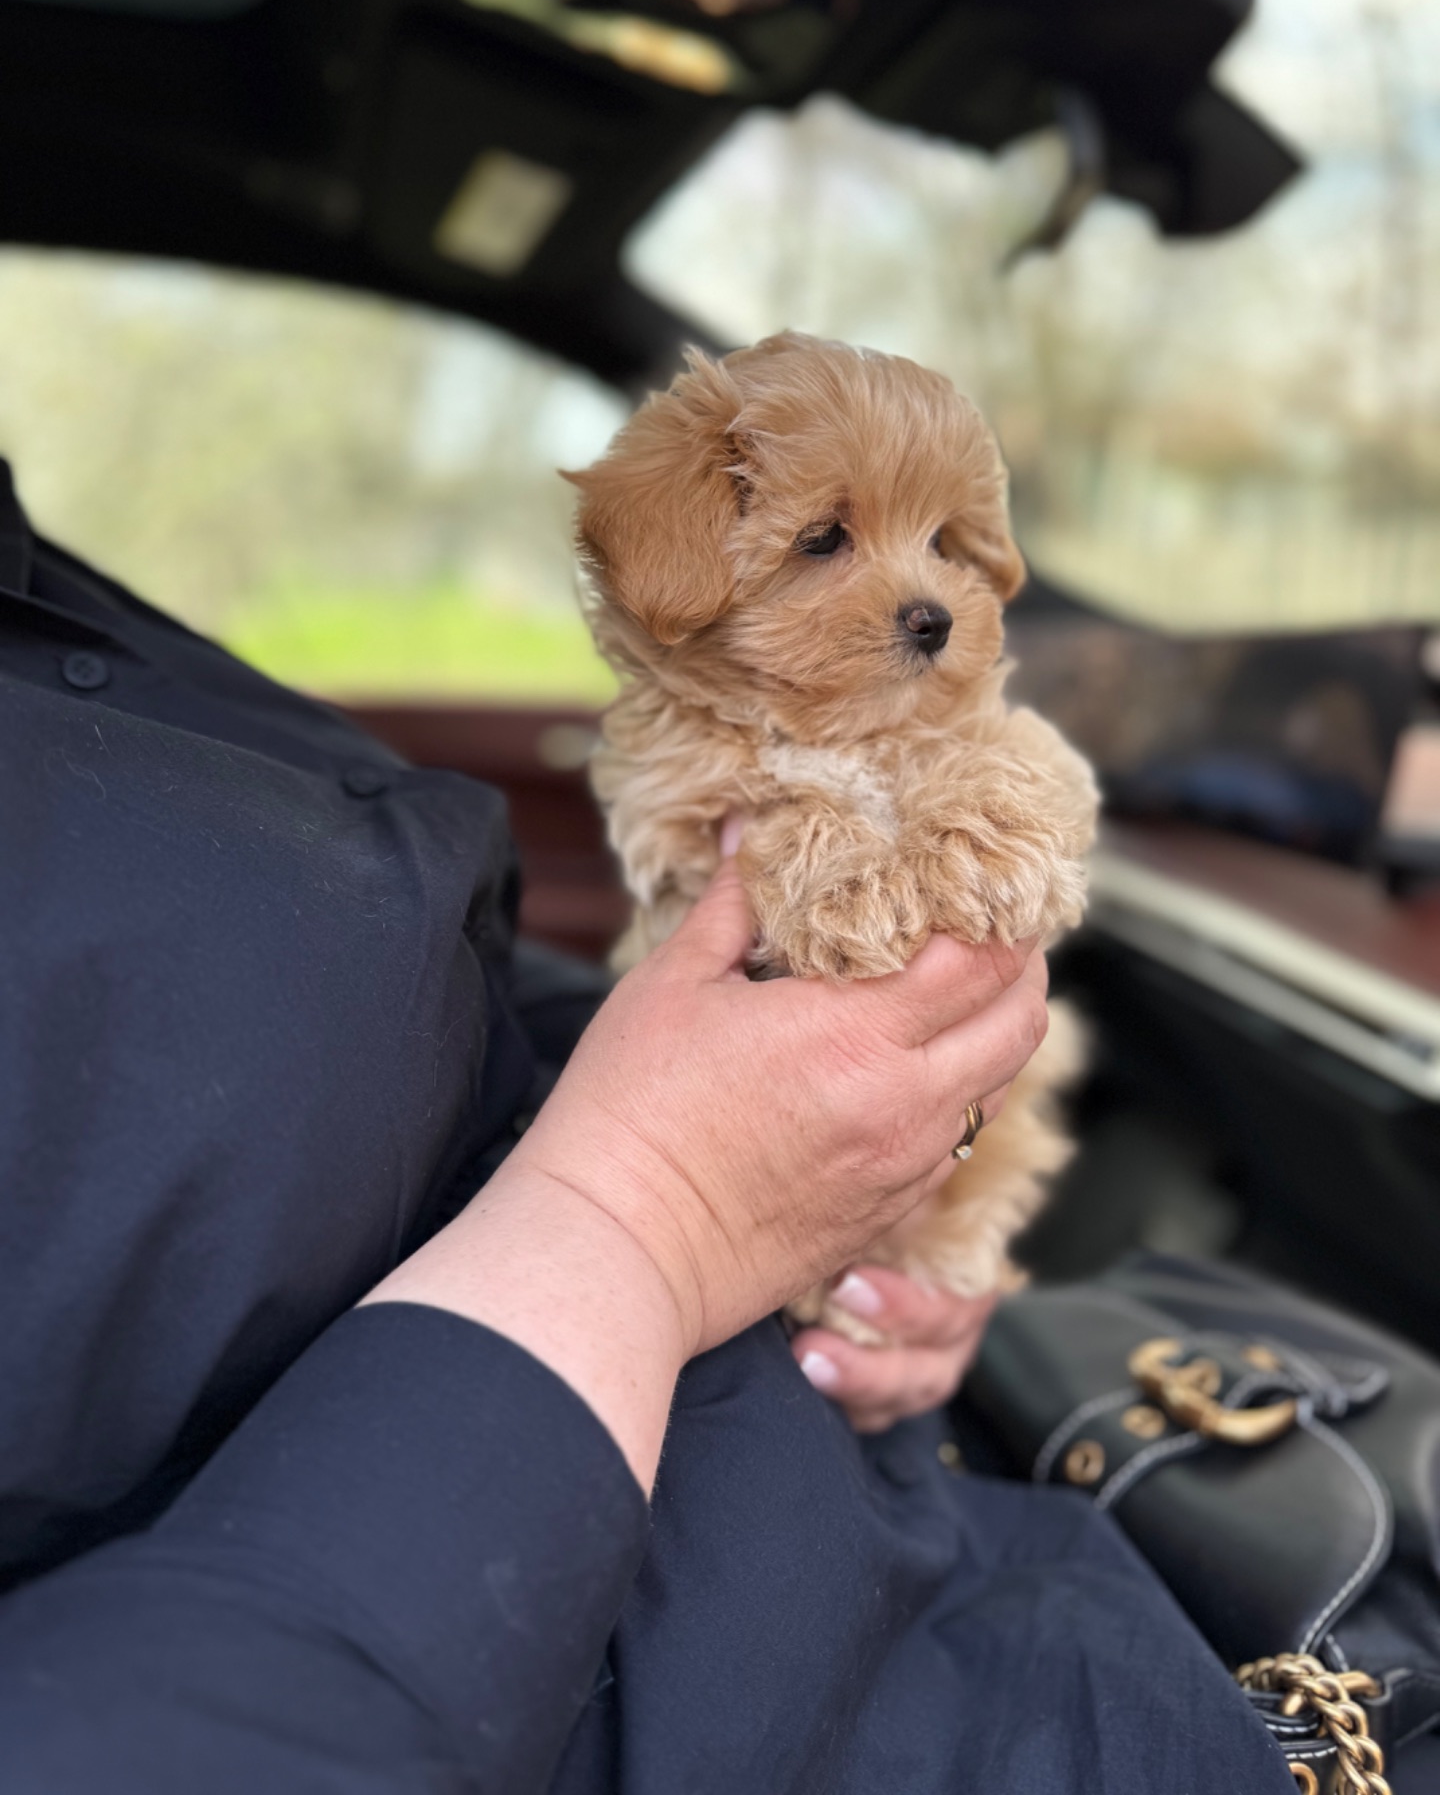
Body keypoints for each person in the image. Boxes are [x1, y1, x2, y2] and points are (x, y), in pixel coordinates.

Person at [0, 461, 1295, 1791]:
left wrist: (835, 1140)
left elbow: (432, 978)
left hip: (892, 1493)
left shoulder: (47, 588)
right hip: (730, 1685)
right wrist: (647, 1206)